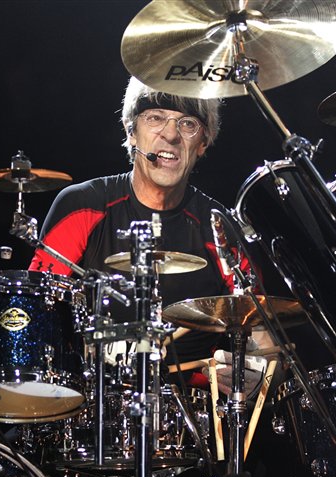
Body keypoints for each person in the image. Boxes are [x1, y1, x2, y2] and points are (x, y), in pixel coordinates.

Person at [28, 75, 268, 385]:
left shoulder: (220, 228)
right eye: (155, 118)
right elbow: (35, 312)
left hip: (190, 417)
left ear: (203, 144)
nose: (170, 135)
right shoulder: (82, 206)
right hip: (89, 406)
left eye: (187, 124)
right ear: (131, 133)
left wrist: (257, 375)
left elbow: (264, 336)